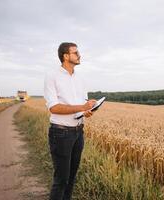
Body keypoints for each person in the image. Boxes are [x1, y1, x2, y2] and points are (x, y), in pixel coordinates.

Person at [44, 42, 96, 200]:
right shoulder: (52, 76)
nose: (79, 55)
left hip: (78, 132)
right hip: (61, 133)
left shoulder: (80, 78)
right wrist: (82, 106)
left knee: (72, 177)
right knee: (61, 179)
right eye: (75, 53)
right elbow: (53, 107)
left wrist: (87, 111)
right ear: (65, 56)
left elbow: (82, 104)